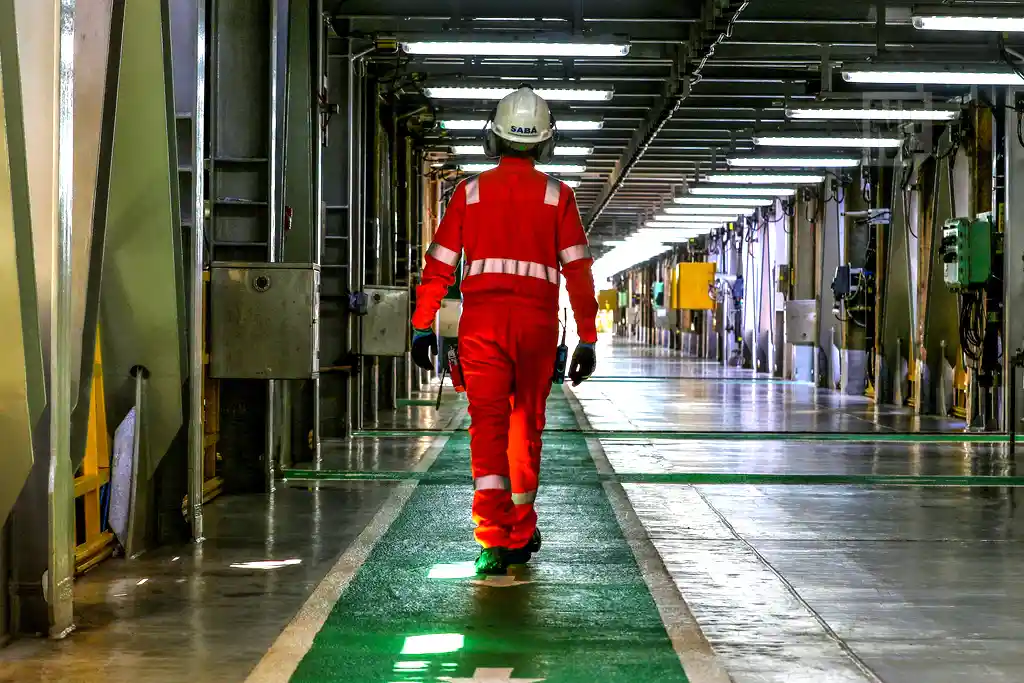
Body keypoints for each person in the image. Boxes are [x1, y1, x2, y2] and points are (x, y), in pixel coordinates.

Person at [409, 86, 599, 575]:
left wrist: (422, 326)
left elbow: (439, 266)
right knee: (526, 427)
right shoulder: (560, 196)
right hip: (535, 328)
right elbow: (577, 271)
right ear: (544, 142)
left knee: (488, 429)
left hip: (482, 327)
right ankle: (520, 527)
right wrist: (587, 336)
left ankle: (494, 538)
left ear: (494, 139)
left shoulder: (469, 194)